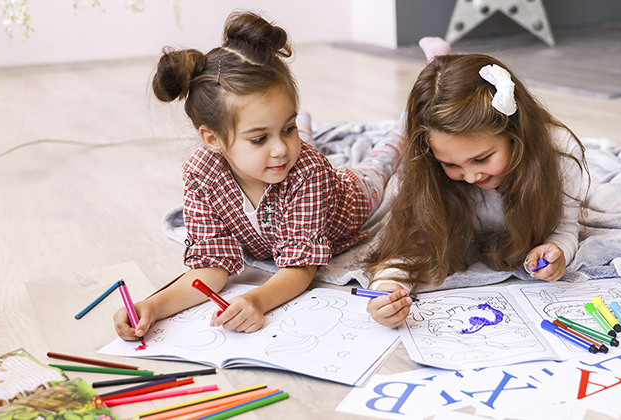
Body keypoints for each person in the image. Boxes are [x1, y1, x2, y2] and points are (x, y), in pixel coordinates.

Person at [114, 11, 402, 340]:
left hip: (350, 196)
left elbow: (301, 266)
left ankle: (405, 123)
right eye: (259, 137)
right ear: (213, 139)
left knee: (380, 161)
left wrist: (256, 299)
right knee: (296, 149)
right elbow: (211, 265)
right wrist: (151, 306)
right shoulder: (201, 173)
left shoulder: (307, 171)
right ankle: (304, 126)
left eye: (287, 126)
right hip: (296, 168)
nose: (279, 148)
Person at [363, 43, 589, 328]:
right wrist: (386, 291)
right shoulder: (428, 172)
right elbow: (407, 244)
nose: (471, 177)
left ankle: (438, 59)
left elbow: (566, 227)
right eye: (452, 165)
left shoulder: (560, 156)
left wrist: (557, 249)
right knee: (387, 152)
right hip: (409, 154)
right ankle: (432, 66)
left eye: (481, 159)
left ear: (515, 134)